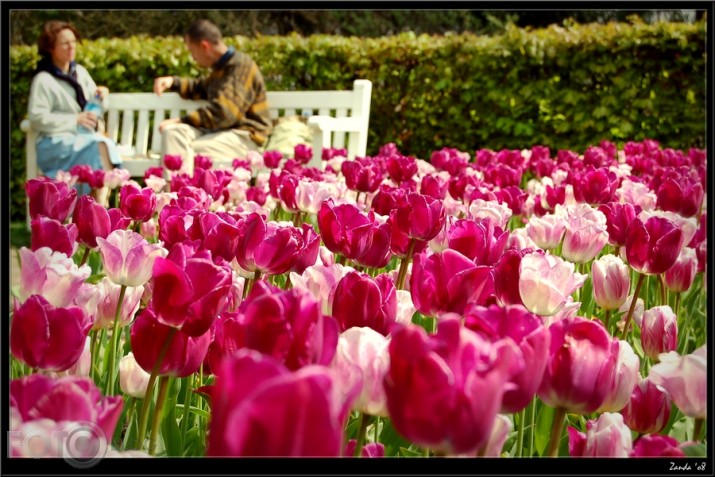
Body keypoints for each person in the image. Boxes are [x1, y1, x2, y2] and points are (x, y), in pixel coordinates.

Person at [153, 19, 273, 173]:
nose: (193, 57)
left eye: (192, 51)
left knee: (189, 152)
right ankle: (177, 193)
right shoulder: (221, 69)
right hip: (221, 134)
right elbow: (201, 87)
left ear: (204, 46)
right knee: (173, 134)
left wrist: (180, 120)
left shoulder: (241, 66)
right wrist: (173, 82)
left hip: (245, 136)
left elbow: (224, 113)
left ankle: (182, 194)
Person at [28, 20, 122, 201]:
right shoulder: (43, 79)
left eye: (73, 41)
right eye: (65, 43)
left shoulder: (80, 71)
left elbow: (95, 107)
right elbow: (37, 118)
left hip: (82, 139)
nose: (71, 46)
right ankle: (98, 207)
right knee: (98, 145)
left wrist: (102, 96)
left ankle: (98, 205)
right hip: (54, 143)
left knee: (101, 144)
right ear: (50, 48)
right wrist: (74, 120)